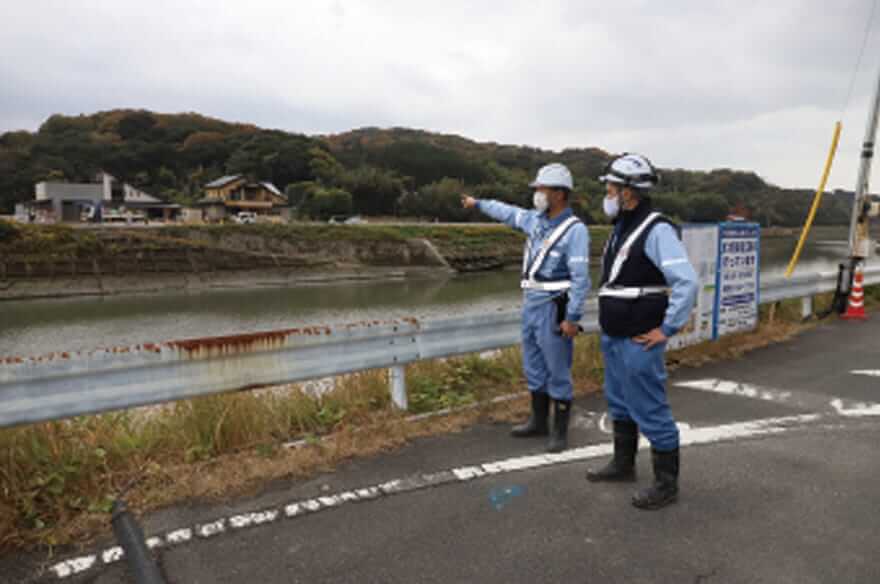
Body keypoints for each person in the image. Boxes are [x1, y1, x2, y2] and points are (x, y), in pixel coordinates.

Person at [585, 153, 698, 510]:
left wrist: (667, 327)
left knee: (649, 407)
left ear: (629, 192)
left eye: (611, 188)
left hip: (639, 336)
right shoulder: (623, 226)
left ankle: (667, 485)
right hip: (615, 334)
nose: (607, 194)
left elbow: (687, 281)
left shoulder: (656, 229)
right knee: (618, 401)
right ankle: (623, 464)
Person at [461, 163, 590, 452]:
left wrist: (572, 318)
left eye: (542, 189)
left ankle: (559, 431)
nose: (537, 194)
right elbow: (506, 211)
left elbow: (582, 279)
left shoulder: (575, 230)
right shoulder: (534, 220)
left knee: (557, 368)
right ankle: (538, 420)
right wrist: (478, 203)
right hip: (530, 303)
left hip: (554, 305)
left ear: (559, 193)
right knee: (533, 364)